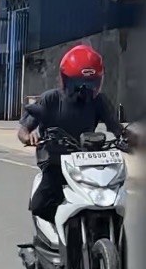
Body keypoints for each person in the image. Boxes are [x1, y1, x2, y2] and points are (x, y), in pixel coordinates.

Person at [16, 45, 122, 223]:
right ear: (65, 80)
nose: (84, 90)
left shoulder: (99, 101)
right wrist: (29, 136)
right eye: (78, 84)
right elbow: (23, 130)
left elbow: (117, 129)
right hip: (55, 161)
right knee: (41, 204)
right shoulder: (50, 99)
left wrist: (131, 139)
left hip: (87, 162)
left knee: (110, 197)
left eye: (90, 84)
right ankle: (54, 236)